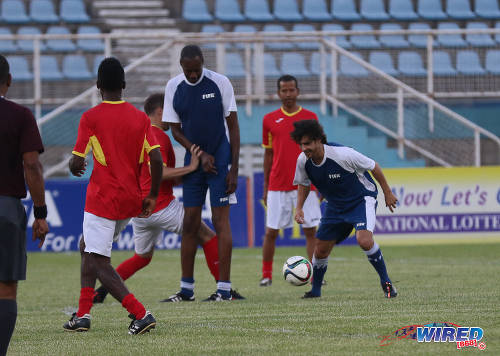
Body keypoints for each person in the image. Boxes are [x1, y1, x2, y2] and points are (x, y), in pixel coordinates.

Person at [91, 93, 244, 303]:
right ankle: (223, 290)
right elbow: (159, 173)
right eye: (173, 112)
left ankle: (100, 292)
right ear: (161, 111)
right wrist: (190, 168)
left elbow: (151, 173)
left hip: (139, 209)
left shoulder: (138, 134)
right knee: (208, 236)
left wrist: (185, 178)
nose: (177, 117)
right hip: (160, 206)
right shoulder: (159, 136)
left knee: (142, 257)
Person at [65, 57, 163, 335]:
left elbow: (76, 162)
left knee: (98, 260)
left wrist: (77, 166)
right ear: (123, 85)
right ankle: (83, 314)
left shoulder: (91, 118)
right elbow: (156, 159)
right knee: (88, 247)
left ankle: (140, 313)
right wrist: (152, 195)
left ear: (97, 86)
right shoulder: (140, 118)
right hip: (130, 199)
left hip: (102, 199)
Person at [162, 45, 240, 301]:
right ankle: (186, 290)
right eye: (188, 71)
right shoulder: (174, 87)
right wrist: (198, 154)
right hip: (195, 165)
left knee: (220, 222)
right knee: (191, 224)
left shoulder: (220, 83)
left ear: (203, 63)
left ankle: (224, 289)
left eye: (196, 70)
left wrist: (234, 169)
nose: (193, 75)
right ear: (181, 67)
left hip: (220, 163)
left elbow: (234, 127)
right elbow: (175, 130)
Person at [290, 120, 398, 299]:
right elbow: (303, 183)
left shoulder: (343, 154)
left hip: (361, 200)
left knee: (364, 240)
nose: (304, 148)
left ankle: (386, 283)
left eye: (307, 143)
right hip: (335, 205)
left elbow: (374, 166)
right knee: (321, 250)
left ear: (318, 140)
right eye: (301, 144)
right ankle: (315, 291)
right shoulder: (303, 161)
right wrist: (299, 208)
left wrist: (387, 193)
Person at [0, 54, 49, 356]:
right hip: (6, 208)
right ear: (8, 81)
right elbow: (32, 165)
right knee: (5, 288)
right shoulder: (19, 115)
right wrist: (40, 214)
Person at [260, 75, 322, 287]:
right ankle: (266, 275)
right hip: (277, 184)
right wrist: (266, 185)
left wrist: (321, 182)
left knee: (310, 230)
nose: (288, 94)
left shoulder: (310, 117)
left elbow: (320, 152)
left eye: (291, 90)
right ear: (278, 93)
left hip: (306, 183)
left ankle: (316, 276)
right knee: (271, 231)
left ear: (297, 91)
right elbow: (268, 155)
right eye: (284, 91)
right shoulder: (269, 119)